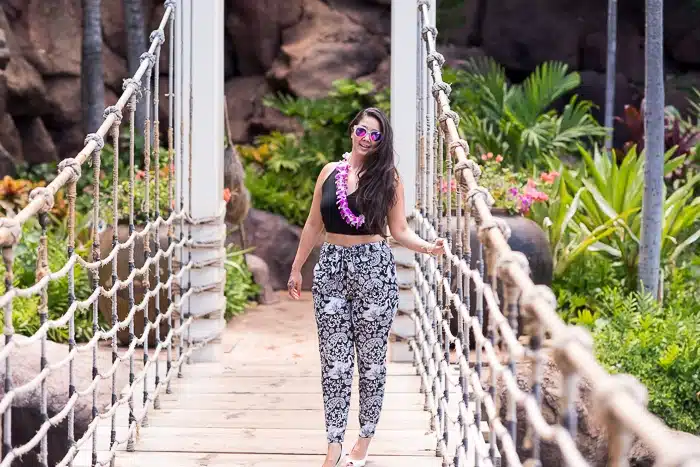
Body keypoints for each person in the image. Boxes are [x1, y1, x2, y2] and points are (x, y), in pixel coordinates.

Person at [287, 107, 446, 467]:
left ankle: (364, 440)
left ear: (381, 142)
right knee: (334, 362)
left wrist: (428, 248)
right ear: (352, 130)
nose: (366, 139)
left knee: (371, 362)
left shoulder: (388, 179)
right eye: (362, 130)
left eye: (375, 135)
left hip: (373, 270)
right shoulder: (329, 172)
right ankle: (333, 445)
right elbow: (313, 224)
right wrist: (297, 267)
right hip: (330, 268)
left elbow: (399, 230)